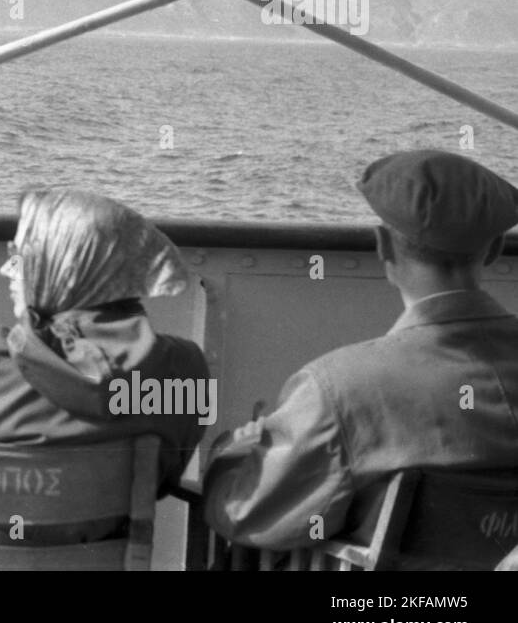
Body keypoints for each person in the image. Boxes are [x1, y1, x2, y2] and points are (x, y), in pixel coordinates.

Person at [201, 150, 518, 553]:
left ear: (382, 245)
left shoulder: (340, 391)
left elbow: (245, 514)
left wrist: (234, 449)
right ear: (492, 252)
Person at [0, 186, 212, 545]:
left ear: (63, 267)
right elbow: (161, 481)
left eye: (22, 258)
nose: (6, 270)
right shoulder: (187, 371)